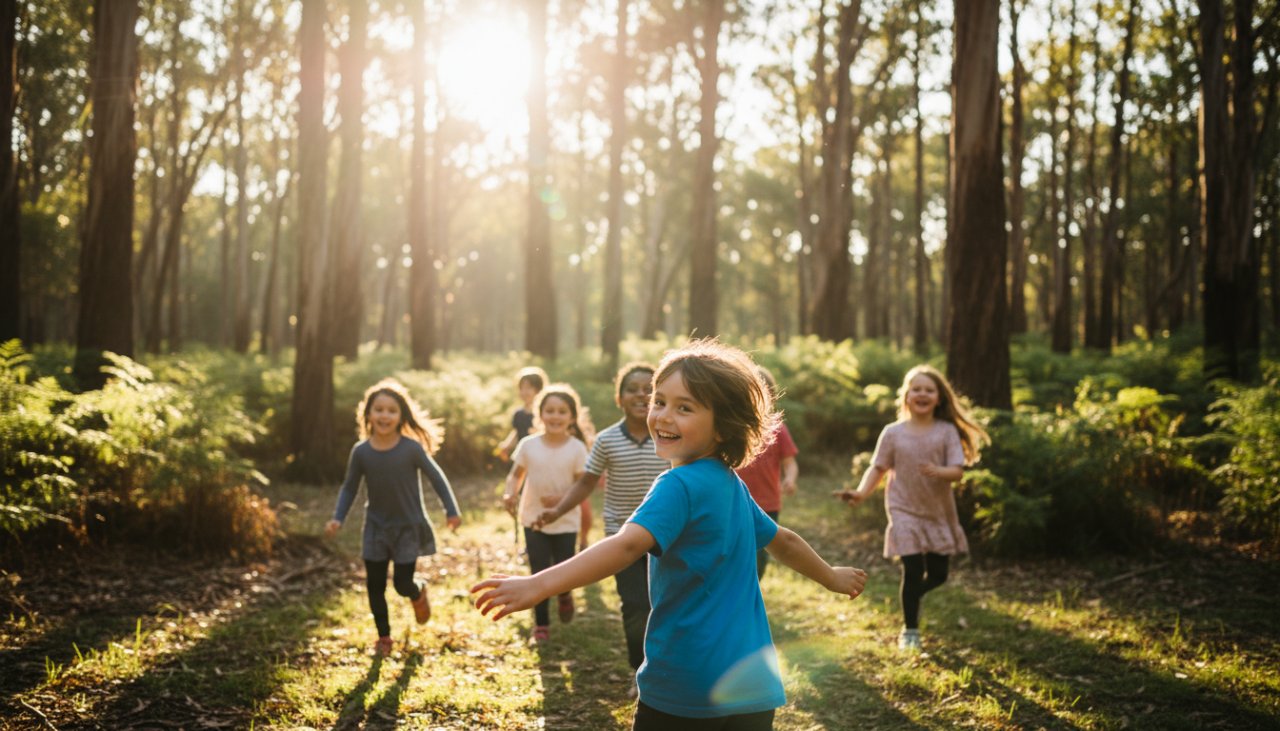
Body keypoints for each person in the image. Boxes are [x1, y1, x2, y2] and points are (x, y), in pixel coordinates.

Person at [474, 340, 868, 729]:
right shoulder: (729, 482)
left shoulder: (677, 486)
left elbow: (627, 545)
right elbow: (783, 541)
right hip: (752, 682)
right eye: (659, 401)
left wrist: (538, 584)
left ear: (724, 426)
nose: (663, 416)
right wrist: (831, 576)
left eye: (685, 408)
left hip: (685, 686)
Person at [834, 364, 988, 652]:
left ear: (939, 398)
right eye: (916, 389)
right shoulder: (893, 432)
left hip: (938, 511)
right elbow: (877, 468)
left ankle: (912, 597)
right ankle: (910, 630)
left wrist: (937, 471)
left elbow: (957, 471)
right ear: (905, 396)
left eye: (929, 390)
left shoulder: (946, 432)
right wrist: (861, 493)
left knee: (939, 574)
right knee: (913, 569)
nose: (922, 394)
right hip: (902, 509)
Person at [533, 362, 668, 682]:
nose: (640, 395)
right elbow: (586, 483)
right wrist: (558, 510)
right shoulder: (607, 440)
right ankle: (641, 672)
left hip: (669, 535)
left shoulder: (669, 435)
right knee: (635, 605)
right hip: (624, 539)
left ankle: (670, 669)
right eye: (632, 389)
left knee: (667, 605)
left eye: (649, 390)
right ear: (618, 398)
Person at [325, 379, 462, 657]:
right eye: (379, 409)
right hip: (375, 527)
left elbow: (436, 477)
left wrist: (451, 509)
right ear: (368, 414)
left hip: (408, 528)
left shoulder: (410, 448)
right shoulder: (361, 452)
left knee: (402, 584)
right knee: (374, 585)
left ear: (401, 416)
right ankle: (384, 638)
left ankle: (418, 590)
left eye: (391, 410)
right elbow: (350, 486)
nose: (384, 415)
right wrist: (338, 517)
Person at [502, 383, 591, 643]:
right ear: (539, 415)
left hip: (566, 521)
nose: (555, 416)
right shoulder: (528, 445)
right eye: (549, 410)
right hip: (533, 518)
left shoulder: (576, 448)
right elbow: (514, 476)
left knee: (564, 571)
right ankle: (541, 624)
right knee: (537, 572)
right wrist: (510, 493)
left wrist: (562, 499)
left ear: (572, 417)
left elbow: (581, 484)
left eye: (562, 411)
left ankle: (564, 594)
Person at [734, 366, 799, 580]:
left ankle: (751, 588)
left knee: (760, 558)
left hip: (768, 504)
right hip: (736, 502)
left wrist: (790, 479)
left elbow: (790, 462)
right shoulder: (733, 426)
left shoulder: (777, 427)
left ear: (770, 395)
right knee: (737, 553)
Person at [494, 365, 548, 462]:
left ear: (538, 389)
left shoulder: (544, 413)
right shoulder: (519, 414)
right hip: (523, 456)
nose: (524, 392)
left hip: (541, 456)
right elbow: (517, 432)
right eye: (521, 388)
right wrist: (507, 445)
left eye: (528, 388)